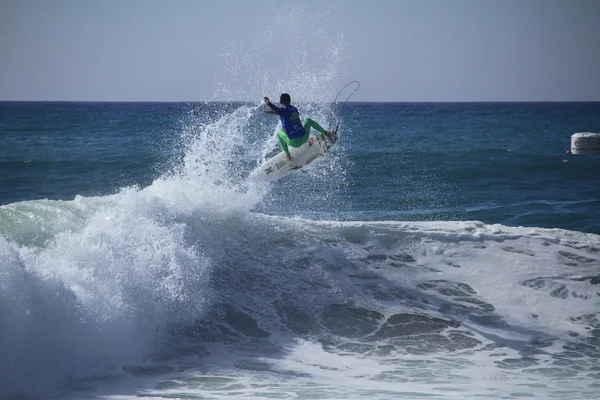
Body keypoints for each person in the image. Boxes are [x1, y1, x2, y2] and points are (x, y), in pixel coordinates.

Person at [264, 93, 333, 160]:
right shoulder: (294, 109)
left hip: (294, 143)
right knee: (307, 120)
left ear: (280, 102)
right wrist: (270, 111)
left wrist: (268, 103)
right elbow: (279, 112)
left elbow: (278, 110)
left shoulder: (282, 111)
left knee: (279, 133)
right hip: (305, 137)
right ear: (290, 101)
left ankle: (288, 155)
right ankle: (326, 132)